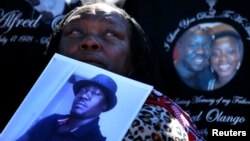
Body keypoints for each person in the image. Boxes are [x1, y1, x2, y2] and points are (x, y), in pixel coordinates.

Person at [44, 2, 205, 140]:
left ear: (133, 61)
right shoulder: (48, 120)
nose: (90, 42)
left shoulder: (155, 122)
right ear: (56, 50)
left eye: (111, 34)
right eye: (75, 32)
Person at [17, 74, 118, 141]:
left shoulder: (94, 139)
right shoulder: (53, 119)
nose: (84, 96)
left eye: (95, 93)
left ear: (105, 105)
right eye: (82, 91)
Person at [174, 25, 214, 90]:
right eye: (192, 46)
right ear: (179, 47)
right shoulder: (163, 77)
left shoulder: (209, 76)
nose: (201, 51)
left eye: (206, 46)